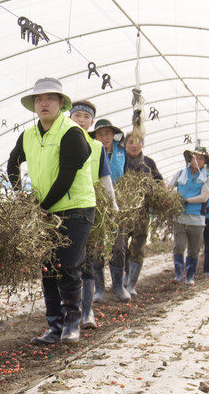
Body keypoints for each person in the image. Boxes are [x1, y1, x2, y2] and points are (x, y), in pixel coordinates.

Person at [7, 77, 95, 345]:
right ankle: (54, 326)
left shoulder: (72, 133)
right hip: (45, 212)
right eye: (39, 99)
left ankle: (72, 324)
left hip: (75, 209)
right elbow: (12, 163)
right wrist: (20, 194)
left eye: (50, 99)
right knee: (48, 268)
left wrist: (39, 209)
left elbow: (66, 179)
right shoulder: (29, 135)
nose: (43, 103)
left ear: (60, 103)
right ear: (34, 105)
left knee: (67, 266)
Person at [68, 100, 118, 329]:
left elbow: (105, 178)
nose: (81, 120)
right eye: (77, 115)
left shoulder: (97, 147)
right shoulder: (60, 140)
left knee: (87, 259)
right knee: (67, 263)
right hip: (63, 209)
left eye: (86, 117)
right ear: (69, 117)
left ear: (91, 122)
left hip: (90, 210)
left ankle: (87, 312)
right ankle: (68, 311)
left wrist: (112, 205)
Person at [89, 119, 130, 302]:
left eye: (107, 133)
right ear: (95, 136)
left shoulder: (122, 151)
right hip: (97, 203)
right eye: (100, 134)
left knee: (119, 246)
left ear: (113, 135)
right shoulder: (92, 150)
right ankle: (99, 289)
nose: (104, 137)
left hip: (117, 204)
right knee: (97, 246)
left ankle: (118, 286)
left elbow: (125, 174)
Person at [121, 132, 163, 295]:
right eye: (131, 142)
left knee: (138, 247)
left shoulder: (148, 163)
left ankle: (131, 284)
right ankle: (126, 275)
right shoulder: (121, 160)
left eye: (137, 142)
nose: (134, 145)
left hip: (142, 212)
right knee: (121, 246)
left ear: (142, 144)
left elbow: (160, 182)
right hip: (124, 212)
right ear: (125, 144)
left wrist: (162, 196)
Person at [169, 146, 209, 286]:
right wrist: (171, 198)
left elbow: (204, 197)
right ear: (190, 158)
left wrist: (186, 200)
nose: (197, 161)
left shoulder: (207, 177)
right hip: (180, 217)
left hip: (197, 219)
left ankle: (189, 276)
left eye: (201, 159)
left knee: (194, 250)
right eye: (195, 158)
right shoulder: (181, 173)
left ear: (205, 162)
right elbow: (169, 188)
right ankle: (178, 275)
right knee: (178, 246)